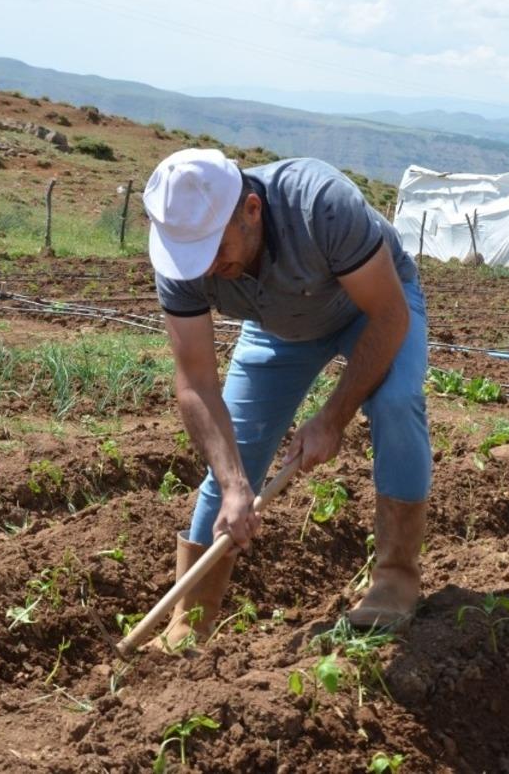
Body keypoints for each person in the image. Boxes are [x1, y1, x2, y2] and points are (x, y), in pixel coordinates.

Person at [143, 148, 431, 650]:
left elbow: (388, 317)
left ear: (252, 209)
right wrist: (235, 485)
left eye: (216, 248)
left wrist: (333, 418)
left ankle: (395, 580)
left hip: (369, 308)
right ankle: (189, 621)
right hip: (278, 328)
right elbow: (195, 384)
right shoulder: (180, 256)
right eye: (195, 256)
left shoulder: (320, 204)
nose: (207, 266)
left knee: (395, 403)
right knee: (235, 458)